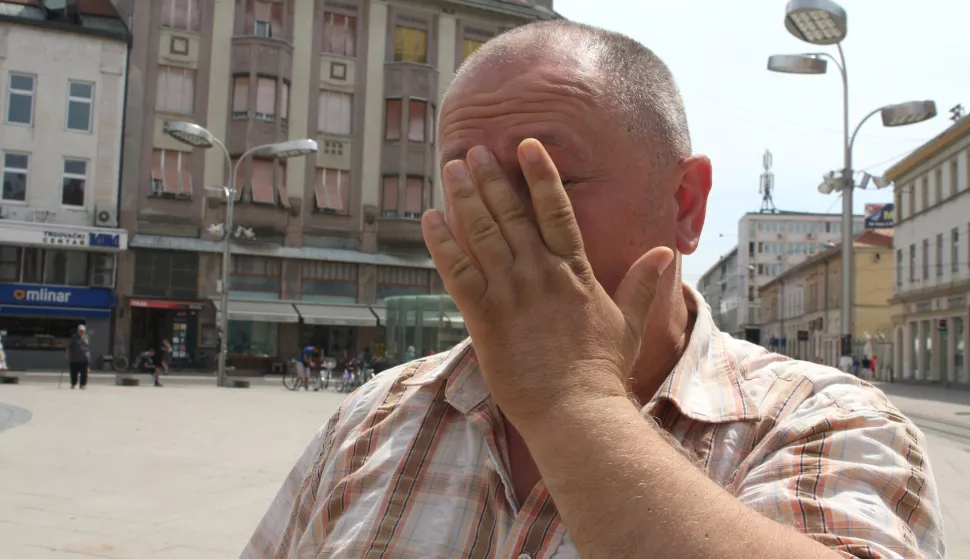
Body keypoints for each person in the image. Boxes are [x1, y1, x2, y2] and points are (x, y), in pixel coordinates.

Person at [245, 21, 944, 559]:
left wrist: (570, 399)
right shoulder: (372, 418)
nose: (494, 220)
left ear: (686, 204)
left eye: (543, 179)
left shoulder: (825, 421)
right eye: (464, 181)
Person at [65, 325, 91, 390]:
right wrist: (67, 354)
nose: (81, 332)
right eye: (80, 331)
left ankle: (83, 384)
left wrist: (88, 356)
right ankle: (73, 384)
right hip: (74, 359)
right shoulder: (73, 338)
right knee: (73, 373)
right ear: (78, 331)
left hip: (84, 359)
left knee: (84, 373)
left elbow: (87, 347)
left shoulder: (86, 337)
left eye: (83, 331)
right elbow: (68, 346)